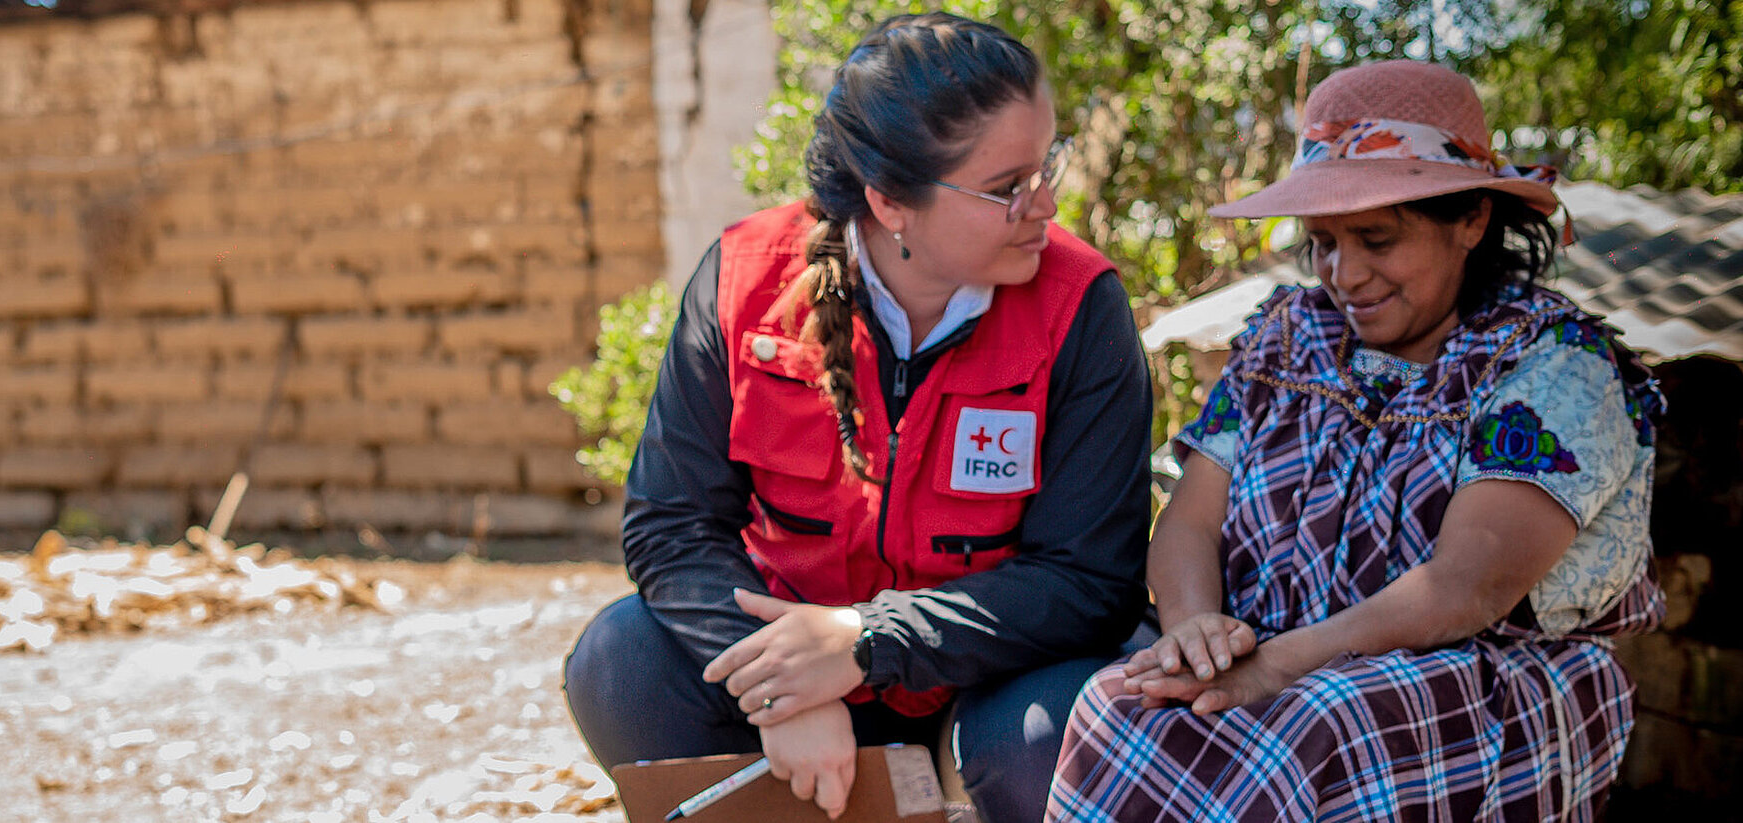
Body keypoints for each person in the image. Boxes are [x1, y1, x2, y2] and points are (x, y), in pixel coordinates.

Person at [562, 13, 1154, 823]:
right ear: (890, 201)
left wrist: (868, 639)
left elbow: (1092, 579)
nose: (1045, 203)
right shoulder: (743, 279)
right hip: (798, 676)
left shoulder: (1081, 305)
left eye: (1046, 163)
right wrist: (784, 692)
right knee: (619, 658)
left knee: (1054, 731)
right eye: (1006, 186)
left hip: (987, 680)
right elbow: (671, 523)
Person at [1048, 60, 1665, 822]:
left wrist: (1276, 664)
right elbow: (1190, 520)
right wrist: (1196, 634)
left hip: (1470, 677)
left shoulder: (1553, 367)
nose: (1345, 273)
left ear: (1471, 219)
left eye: (1376, 237)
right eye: (1323, 243)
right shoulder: (1285, 341)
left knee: (1314, 728)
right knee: (1118, 702)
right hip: (1272, 655)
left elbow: (1464, 585)